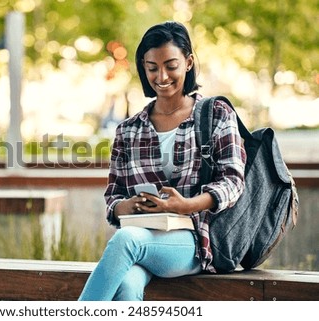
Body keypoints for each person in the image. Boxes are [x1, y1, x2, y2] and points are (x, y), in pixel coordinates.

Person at [78, 21, 246, 301]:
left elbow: (233, 181)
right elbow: (113, 198)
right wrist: (126, 206)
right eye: (152, 68)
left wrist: (186, 204)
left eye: (171, 65)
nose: (162, 76)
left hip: (193, 241)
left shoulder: (216, 113)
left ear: (189, 62)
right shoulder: (128, 130)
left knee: (125, 240)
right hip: (144, 240)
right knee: (128, 286)